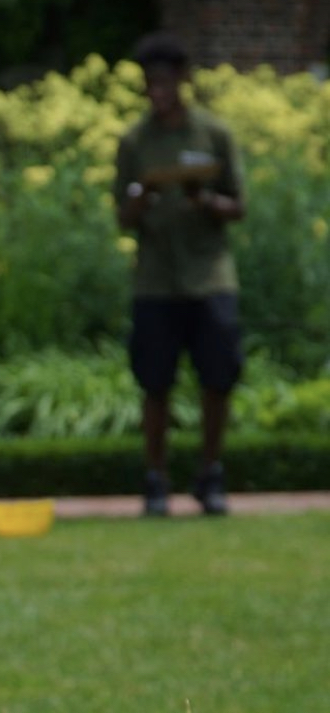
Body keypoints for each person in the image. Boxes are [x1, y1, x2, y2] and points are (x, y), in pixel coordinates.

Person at [115, 32, 246, 517]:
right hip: (155, 279)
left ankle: (210, 474)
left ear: (183, 80)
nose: (158, 92)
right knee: (155, 382)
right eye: (150, 83)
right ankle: (155, 479)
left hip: (210, 276)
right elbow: (121, 217)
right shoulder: (135, 141)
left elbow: (239, 205)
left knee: (218, 378)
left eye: (165, 82)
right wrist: (140, 201)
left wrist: (203, 200)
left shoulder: (212, 135)